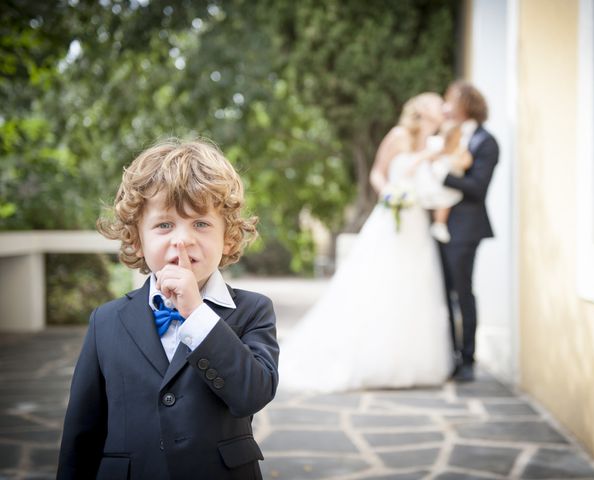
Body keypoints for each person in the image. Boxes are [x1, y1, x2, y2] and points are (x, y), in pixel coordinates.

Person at [57, 139, 279, 479]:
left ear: (229, 238)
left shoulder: (253, 311)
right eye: (164, 225)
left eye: (201, 224)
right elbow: (82, 433)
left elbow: (252, 394)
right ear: (135, 238)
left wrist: (197, 313)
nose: (182, 240)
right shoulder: (106, 321)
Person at [277, 93, 468, 393]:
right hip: (391, 218)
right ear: (420, 110)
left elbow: (439, 178)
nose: (441, 107)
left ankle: (409, 362)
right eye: (434, 103)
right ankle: (370, 359)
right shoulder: (399, 135)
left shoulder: (435, 144)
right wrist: (390, 192)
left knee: (415, 289)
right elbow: (378, 172)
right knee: (378, 284)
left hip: (417, 222)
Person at [439, 80, 499, 382]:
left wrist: (442, 177)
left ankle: (468, 359)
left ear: (466, 105)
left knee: (462, 294)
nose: (446, 107)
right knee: (441, 295)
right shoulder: (450, 136)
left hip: (466, 230)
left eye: (452, 101)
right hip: (439, 229)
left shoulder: (486, 142)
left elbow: (477, 188)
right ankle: (449, 355)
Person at [428, 121, 473, 243]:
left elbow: (467, 162)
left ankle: (439, 224)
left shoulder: (460, 149)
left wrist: (455, 162)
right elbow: (430, 158)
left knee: (445, 202)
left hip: (452, 181)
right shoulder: (439, 147)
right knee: (442, 201)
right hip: (441, 182)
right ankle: (439, 224)